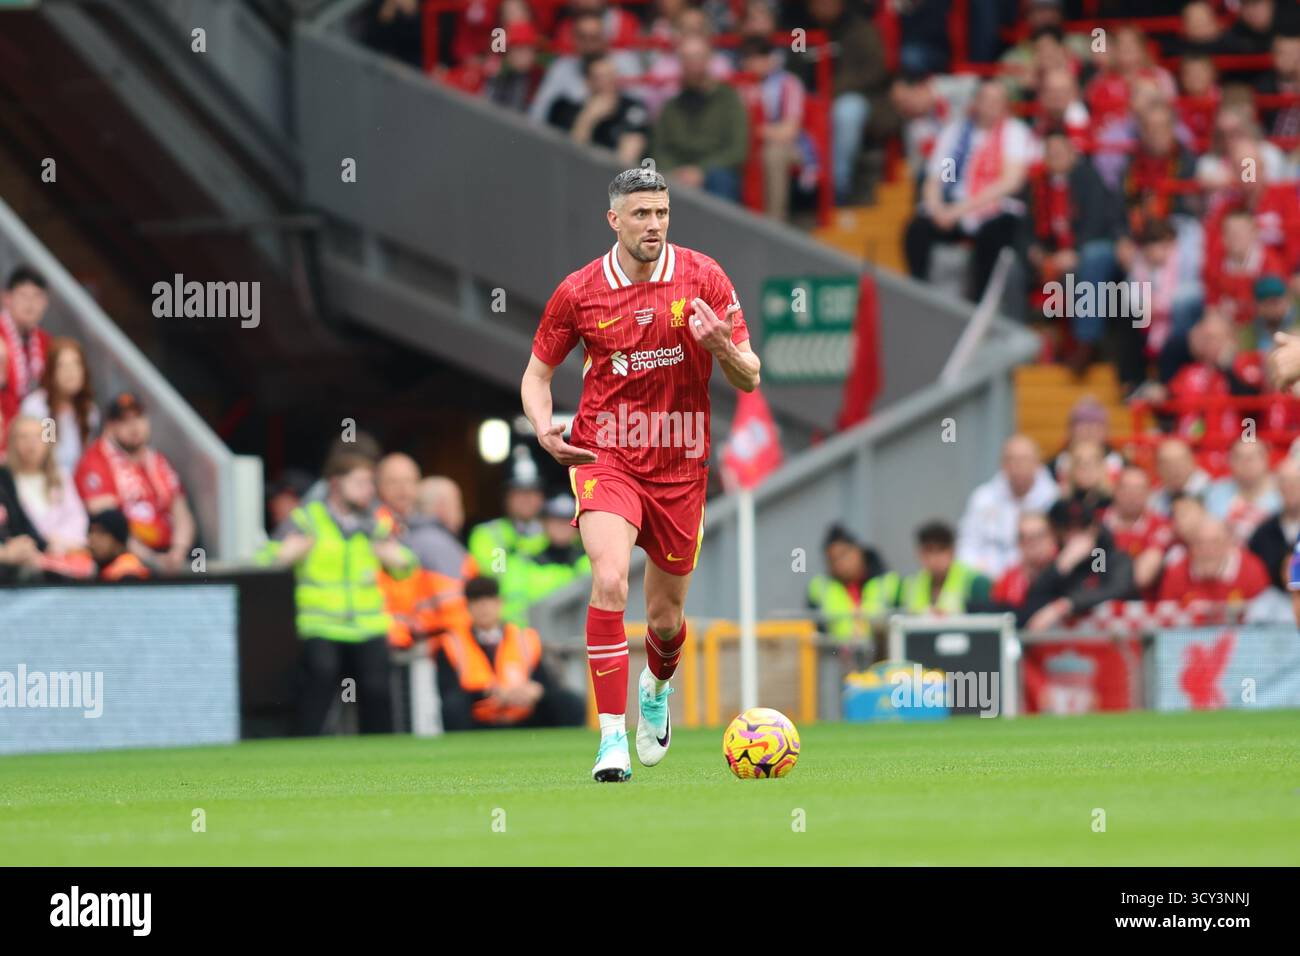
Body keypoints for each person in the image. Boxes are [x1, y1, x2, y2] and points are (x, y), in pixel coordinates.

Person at [520, 166, 760, 782]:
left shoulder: (704, 277)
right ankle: (610, 741)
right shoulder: (578, 292)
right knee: (608, 581)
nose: (653, 224)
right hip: (608, 453)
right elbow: (537, 375)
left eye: (661, 213)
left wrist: (723, 349)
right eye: (641, 215)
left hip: (681, 462)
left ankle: (656, 689)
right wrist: (545, 428)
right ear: (615, 220)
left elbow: (750, 375)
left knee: (664, 620)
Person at [260, 452, 418, 735]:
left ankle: (384, 759)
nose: (368, 490)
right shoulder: (307, 519)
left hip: (367, 625)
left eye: (370, 483)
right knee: (320, 678)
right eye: (359, 482)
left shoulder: (374, 523)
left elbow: (406, 563)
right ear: (335, 484)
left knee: (377, 688)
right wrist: (284, 555)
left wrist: (400, 560)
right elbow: (264, 561)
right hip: (321, 625)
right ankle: (303, 750)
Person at [905, 78, 1032, 302]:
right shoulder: (956, 134)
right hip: (954, 208)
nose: (990, 106)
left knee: (994, 235)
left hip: (992, 209)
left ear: (1005, 105)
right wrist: (937, 209)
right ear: (976, 102)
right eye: (986, 99)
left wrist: (961, 210)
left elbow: (1009, 182)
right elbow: (940, 178)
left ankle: (978, 304)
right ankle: (919, 296)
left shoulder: (1014, 133)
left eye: (997, 101)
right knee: (917, 230)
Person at [436, 576, 587, 730]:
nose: (484, 608)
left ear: (499, 603)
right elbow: (448, 691)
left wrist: (534, 691)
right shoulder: (452, 643)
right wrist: (488, 693)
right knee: (453, 707)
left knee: (569, 702)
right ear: (468, 607)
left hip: (524, 712)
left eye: (489, 601)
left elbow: (545, 683)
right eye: (477, 602)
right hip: (479, 717)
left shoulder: (524, 639)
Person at [74, 392, 196, 572]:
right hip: (125, 559)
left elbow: (181, 511)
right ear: (110, 426)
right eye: (124, 420)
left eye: (138, 417)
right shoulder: (95, 461)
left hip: (168, 555)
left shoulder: (157, 461)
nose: (134, 426)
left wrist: (178, 551)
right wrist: (152, 560)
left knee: (200, 568)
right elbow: (108, 524)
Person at [653, 33, 750, 202]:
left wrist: (701, 170)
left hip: (716, 173)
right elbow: (659, 150)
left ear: (708, 59)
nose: (692, 63)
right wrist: (677, 171)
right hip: (676, 174)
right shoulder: (671, 106)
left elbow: (737, 149)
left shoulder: (728, 99)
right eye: (686, 58)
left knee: (720, 179)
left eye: (697, 56)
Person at [1021, 496, 1137, 631]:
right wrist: (1060, 567)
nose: (1076, 535)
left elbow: (1115, 589)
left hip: (1111, 643)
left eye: (1082, 528)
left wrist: (1065, 605)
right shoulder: (1060, 563)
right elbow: (1032, 604)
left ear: (1094, 528)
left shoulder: (1109, 557)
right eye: (1069, 529)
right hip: (1064, 646)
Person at [956, 434, 1059, 579]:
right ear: (1002, 464)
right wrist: (980, 573)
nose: (1017, 466)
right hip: (987, 579)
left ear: (1037, 463)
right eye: (1011, 460)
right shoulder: (983, 498)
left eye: (1024, 459)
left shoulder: (1054, 499)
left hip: (1037, 578)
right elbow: (967, 544)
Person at [548, 54, 650, 168]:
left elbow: (628, 155)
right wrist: (588, 119)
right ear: (588, 82)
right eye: (601, 78)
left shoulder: (632, 109)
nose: (608, 82)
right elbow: (570, 155)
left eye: (611, 76)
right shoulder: (570, 109)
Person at [5, 414, 87, 556]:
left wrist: (58, 542)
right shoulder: (5, 480)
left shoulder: (61, 477)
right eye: (23, 437)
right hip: (22, 555)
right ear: (12, 442)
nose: (31, 443)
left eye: (38, 436)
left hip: (62, 552)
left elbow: (77, 518)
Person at [20, 336, 99, 474]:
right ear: (51, 372)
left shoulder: (90, 411)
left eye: (76, 364)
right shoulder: (37, 407)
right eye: (62, 365)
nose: (71, 372)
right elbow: (36, 457)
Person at [1158, 516, 1270, 605]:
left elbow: (1262, 622)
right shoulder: (1176, 573)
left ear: (1229, 544)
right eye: (1200, 543)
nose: (1208, 550)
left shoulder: (1251, 570)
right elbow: (1168, 624)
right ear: (1190, 546)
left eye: (1215, 542)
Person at [467, 458, 548, 579]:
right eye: (518, 492)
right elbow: (495, 575)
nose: (526, 498)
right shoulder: (487, 534)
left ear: (542, 497)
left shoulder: (559, 531)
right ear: (506, 497)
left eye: (532, 491)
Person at [806, 523, 888, 641]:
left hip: (881, 654)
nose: (840, 564)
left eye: (844, 554)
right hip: (838, 655)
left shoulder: (888, 582)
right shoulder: (820, 588)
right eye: (833, 560)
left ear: (858, 550)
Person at [1102, 466, 1173, 596]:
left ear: (1149, 493)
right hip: (1095, 602)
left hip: (1139, 605)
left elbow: (1142, 577)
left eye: (1139, 490)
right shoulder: (1098, 522)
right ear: (1115, 490)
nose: (1133, 496)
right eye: (1127, 489)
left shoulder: (1160, 526)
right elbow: (1095, 567)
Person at [897, 521, 991, 613]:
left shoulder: (976, 583)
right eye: (928, 550)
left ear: (952, 551)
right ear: (919, 554)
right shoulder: (912, 585)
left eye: (941, 550)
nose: (934, 558)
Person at [1203, 439, 1281, 542]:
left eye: (1252, 458)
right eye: (1239, 458)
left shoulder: (1284, 490)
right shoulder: (1216, 492)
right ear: (1229, 461)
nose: (1246, 464)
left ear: (1266, 459)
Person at [0, 266, 52, 408]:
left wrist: (48, 431)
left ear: (45, 302)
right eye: (23, 295)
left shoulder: (46, 342)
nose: (30, 304)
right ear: (7, 298)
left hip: (35, 424)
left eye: (37, 296)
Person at [988, 511, 1057, 613]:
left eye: (1038, 536)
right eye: (1025, 538)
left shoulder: (1066, 570)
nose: (1032, 544)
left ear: (1052, 537)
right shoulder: (1008, 580)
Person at [1248, 458, 1300, 591]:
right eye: (1284, 483)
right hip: (1276, 599)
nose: (1290, 488)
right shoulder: (1263, 533)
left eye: (1295, 482)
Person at [1149, 438, 1212, 515]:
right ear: (1158, 468)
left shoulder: (1211, 492)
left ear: (1192, 462)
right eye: (1168, 464)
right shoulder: (1154, 499)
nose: (1175, 469)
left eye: (1180, 462)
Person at [86, 508, 148, 581]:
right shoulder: (99, 567)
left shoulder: (128, 573)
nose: (93, 539)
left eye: (101, 533)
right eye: (91, 532)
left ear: (118, 541)